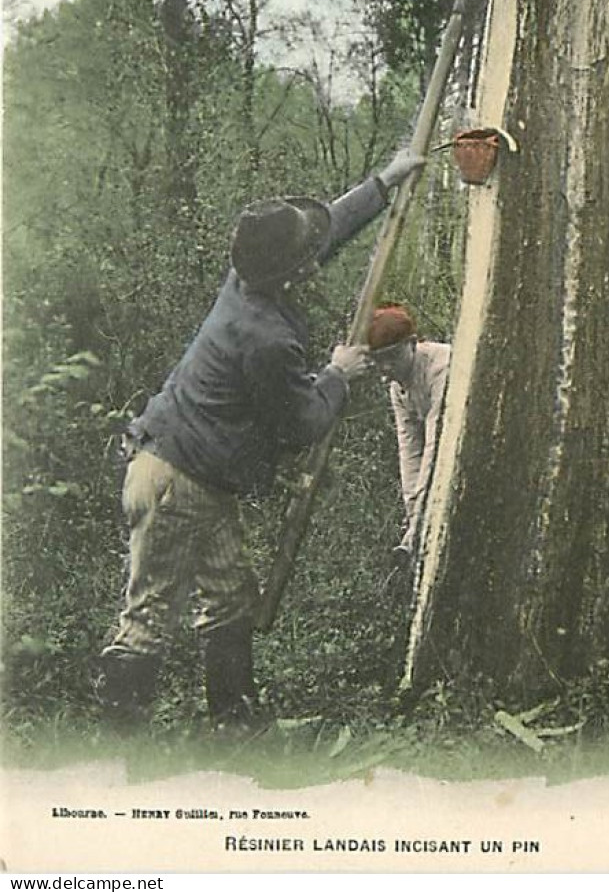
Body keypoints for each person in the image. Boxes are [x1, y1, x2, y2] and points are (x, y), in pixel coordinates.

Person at [98, 150, 423, 730]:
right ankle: (117, 749)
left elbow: (324, 232)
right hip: (176, 480)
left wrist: (383, 183)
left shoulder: (249, 277)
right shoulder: (267, 339)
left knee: (228, 597)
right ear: (291, 272)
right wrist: (337, 377)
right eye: (305, 257)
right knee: (148, 614)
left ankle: (235, 721)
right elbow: (298, 425)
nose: (314, 260)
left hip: (192, 476)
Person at [368, 305, 451, 566]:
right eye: (379, 361)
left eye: (392, 357)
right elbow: (410, 449)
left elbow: (435, 442)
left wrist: (422, 508)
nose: (386, 369)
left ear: (412, 343)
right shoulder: (398, 387)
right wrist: (413, 511)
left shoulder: (441, 367)